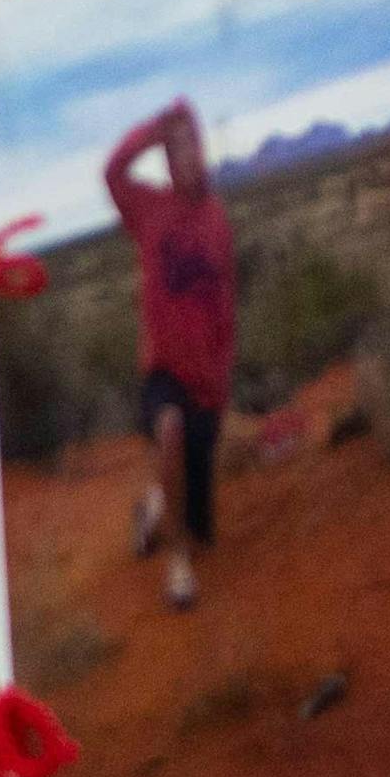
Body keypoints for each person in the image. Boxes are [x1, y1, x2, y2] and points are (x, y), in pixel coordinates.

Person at [110, 100, 237, 611]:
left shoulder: (216, 221)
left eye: (192, 147)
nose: (186, 159)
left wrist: (222, 375)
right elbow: (112, 172)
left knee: (203, 522)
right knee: (168, 428)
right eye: (175, 150)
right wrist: (151, 130)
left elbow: (224, 305)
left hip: (206, 377)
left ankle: (156, 508)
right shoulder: (149, 210)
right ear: (166, 158)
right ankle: (176, 562)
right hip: (164, 370)